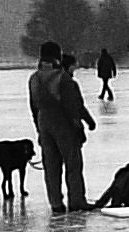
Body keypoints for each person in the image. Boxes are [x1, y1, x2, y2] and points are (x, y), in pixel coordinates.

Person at [28, 40, 96, 213]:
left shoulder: (34, 79)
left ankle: (56, 203)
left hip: (43, 122)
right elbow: (73, 106)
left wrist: (39, 130)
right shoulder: (63, 78)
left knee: (51, 167)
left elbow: (33, 107)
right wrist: (81, 126)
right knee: (73, 165)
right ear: (57, 56)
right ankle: (76, 201)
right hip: (63, 122)